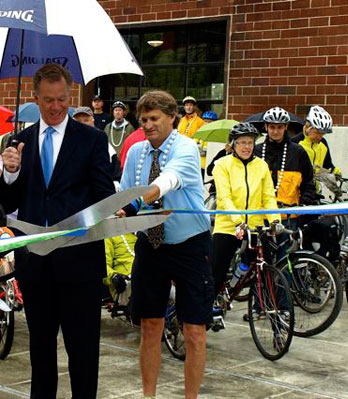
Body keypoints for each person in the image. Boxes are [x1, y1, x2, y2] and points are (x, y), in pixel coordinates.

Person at [0, 64, 115, 398]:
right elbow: (6, 202)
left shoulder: (92, 140)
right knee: (41, 354)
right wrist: (9, 173)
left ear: (69, 95)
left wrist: (114, 207)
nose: (55, 107)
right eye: (48, 100)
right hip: (36, 265)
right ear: (35, 98)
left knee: (83, 354)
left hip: (80, 264)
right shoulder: (17, 142)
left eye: (62, 99)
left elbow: (103, 194)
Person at [119, 90, 212, 399]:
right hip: (151, 243)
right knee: (149, 324)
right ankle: (149, 396)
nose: (147, 125)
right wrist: (120, 206)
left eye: (154, 118)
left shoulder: (186, 147)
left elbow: (168, 180)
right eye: (143, 119)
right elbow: (127, 190)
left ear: (172, 117)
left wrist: (137, 201)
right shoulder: (136, 152)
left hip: (190, 243)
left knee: (194, 332)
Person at [211, 122, 280, 298]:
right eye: (242, 142)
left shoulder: (261, 165)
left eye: (250, 142)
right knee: (216, 273)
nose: (247, 147)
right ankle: (208, 308)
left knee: (267, 271)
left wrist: (275, 220)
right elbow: (225, 198)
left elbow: (268, 197)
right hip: (228, 226)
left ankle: (269, 307)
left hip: (255, 226)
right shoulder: (222, 165)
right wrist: (238, 221)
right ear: (233, 144)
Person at [254, 107, 316, 210]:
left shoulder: (298, 152)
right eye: (272, 127)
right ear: (266, 127)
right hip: (260, 215)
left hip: (290, 216)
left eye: (279, 127)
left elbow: (308, 183)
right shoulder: (256, 151)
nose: (275, 131)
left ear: (286, 127)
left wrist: (303, 206)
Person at [73, 106, 121, 185]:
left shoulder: (106, 147)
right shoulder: (66, 145)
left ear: (92, 121)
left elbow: (116, 175)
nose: (82, 124)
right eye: (78, 121)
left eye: (86, 120)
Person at [291, 105, 339, 176]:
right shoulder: (295, 142)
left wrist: (334, 171)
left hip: (315, 186)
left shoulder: (323, 143)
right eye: (317, 133)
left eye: (322, 134)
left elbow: (327, 165)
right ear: (307, 127)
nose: (319, 137)